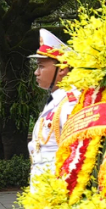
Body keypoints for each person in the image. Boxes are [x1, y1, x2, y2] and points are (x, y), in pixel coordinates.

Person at [27, 30, 76, 181]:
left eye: (41, 66)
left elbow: (75, 153)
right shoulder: (56, 101)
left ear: (62, 69)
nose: (36, 73)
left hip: (57, 185)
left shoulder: (70, 103)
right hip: (44, 184)